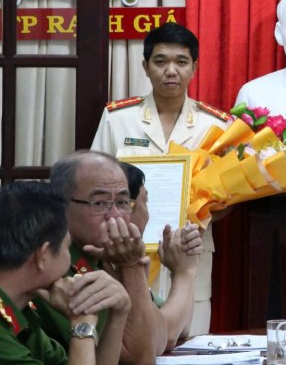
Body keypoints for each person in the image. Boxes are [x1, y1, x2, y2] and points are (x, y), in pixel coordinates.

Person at [90, 22, 228, 336]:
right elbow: (93, 185)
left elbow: (226, 200)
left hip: (189, 254)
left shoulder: (217, 125)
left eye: (181, 62)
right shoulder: (117, 118)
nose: (171, 71)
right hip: (127, 254)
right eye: (161, 61)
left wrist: (203, 217)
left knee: (188, 346)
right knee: (129, 345)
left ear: (194, 67)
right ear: (145, 66)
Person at [40, 151, 166, 364]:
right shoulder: (54, 268)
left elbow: (160, 341)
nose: (115, 215)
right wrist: (131, 265)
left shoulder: (106, 257)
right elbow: (138, 359)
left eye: (123, 202)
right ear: (61, 205)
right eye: (99, 203)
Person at [0, 181, 130, 365]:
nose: (71, 259)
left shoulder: (22, 310)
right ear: (43, 256)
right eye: (67, 248)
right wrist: (81, 323)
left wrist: (119, 313)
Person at [121, 163, 204, 350]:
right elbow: (164, 336)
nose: (148, 214)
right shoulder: (114, 262)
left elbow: (181, 328)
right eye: (146, 202)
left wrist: (179, 269)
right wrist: (185, 271)